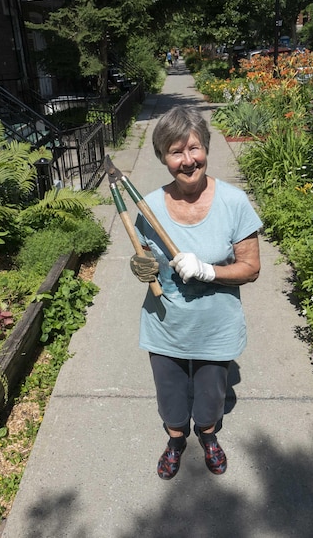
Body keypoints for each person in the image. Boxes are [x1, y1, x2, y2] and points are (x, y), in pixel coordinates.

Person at [129, 106, 262, 479]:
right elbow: (143, 258)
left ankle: (208, 436)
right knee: (170, 393)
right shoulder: (149, 207)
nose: (188, 161)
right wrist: (140, 268)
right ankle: (175, 441)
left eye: (194, 148)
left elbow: (251, 268)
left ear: (206, 148)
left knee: (210, 395)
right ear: (163, 158)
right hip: (165, 323)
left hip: (216, 325)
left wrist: (208, 271)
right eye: (176, 152)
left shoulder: (233, 202)